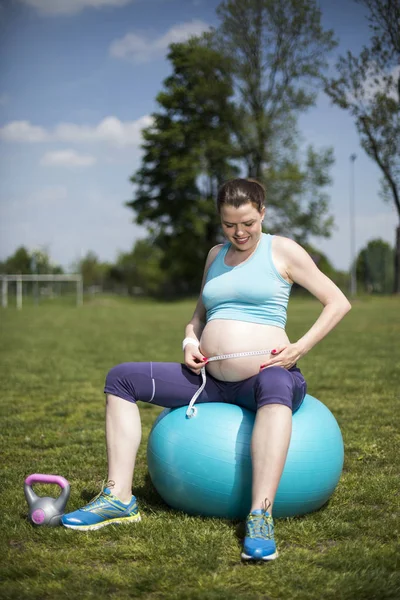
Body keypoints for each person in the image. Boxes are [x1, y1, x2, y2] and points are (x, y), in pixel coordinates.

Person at [62, 178, 351, 561]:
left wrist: (300, 347)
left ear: (262, 212)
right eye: (229, 224)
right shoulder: (215, 255)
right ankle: (118, 498)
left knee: (276, 381)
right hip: (210, 380)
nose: (239, 232)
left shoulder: (282, 250)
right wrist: (189, 342)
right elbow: (198, 317)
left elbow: (337, 302)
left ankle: (260, 515)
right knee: (121, 378)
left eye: (247, 222)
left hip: (267, 377)